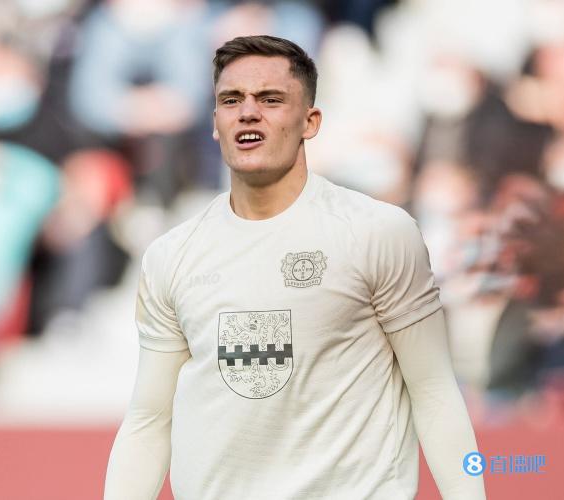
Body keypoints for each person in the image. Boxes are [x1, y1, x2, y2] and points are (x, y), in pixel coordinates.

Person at [104, 35, 486, 499]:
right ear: (215, 122)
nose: (248, 112)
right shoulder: (171, 255)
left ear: (310, 121)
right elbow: (148, 419)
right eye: (232, 100)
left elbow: (435, 391)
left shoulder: (378, 233)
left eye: (270, 99)